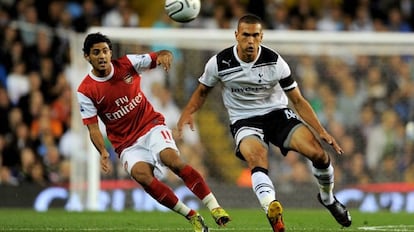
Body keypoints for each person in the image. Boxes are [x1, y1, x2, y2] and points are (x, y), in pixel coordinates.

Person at [177, 14, 352, 232]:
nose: (250, 40)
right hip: (244, 119)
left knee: (318, 154)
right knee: (257, 157)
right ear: (236, 36)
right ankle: (272, 209)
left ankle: (327, 199)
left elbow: (297, 99)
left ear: (261, 37)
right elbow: (202, 91)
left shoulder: (275, 61)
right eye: (245, 35)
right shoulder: (219, 62)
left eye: (255, 35)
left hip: (277, 114)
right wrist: (188, 112)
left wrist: (321, 131)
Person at [76, 32, 230, 232]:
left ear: (110, 52)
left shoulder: (127, 63)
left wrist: (165, 55)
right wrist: (103, 152)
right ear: (87, 57)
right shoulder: (86, 90)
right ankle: (191, 216)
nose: (102, 56)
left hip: (150, 125)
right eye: (96, 52)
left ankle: (215, 207)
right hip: (125, 144)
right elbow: (93, 127)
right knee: (142, 176)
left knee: (171, 160)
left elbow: (157, 55)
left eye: (105, 51)